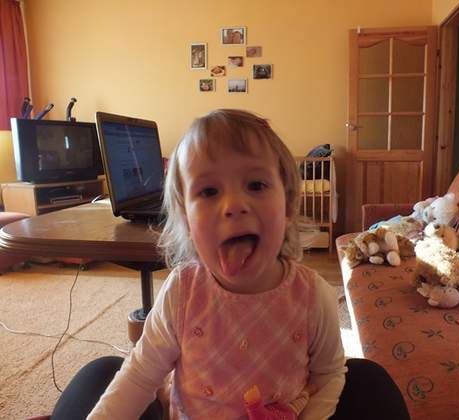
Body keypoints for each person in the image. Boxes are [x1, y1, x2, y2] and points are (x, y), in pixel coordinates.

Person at [50, 109, 410, 420]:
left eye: (256, 184)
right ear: (187, 222)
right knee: (103, 373)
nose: (234, 204)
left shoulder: (312, 296)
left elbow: (330, 376)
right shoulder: (183, 291)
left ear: (287, 206)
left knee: (369, 382)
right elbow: (141, 374)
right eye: (208, 191)